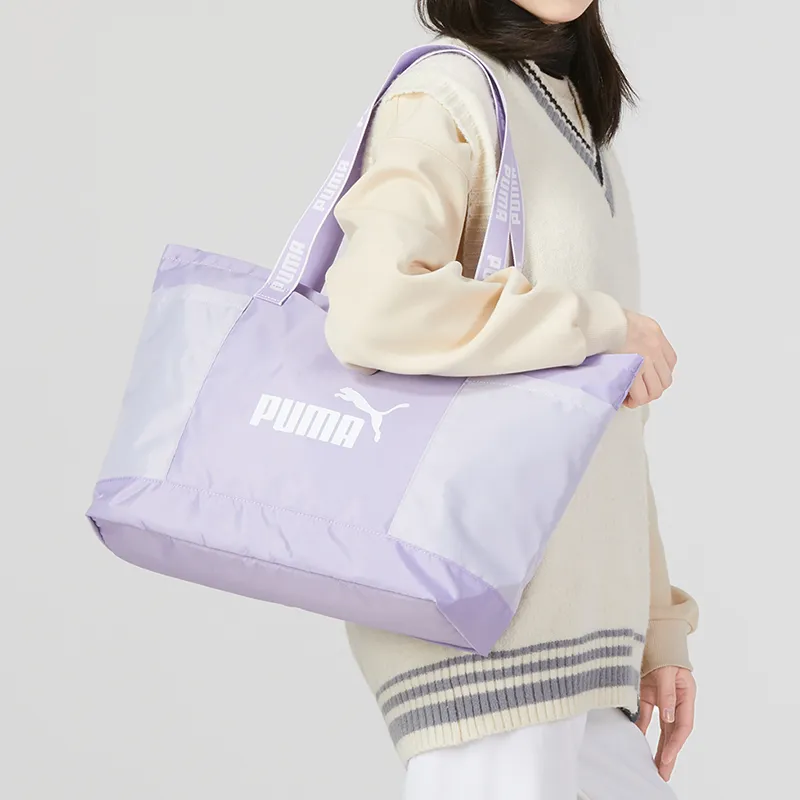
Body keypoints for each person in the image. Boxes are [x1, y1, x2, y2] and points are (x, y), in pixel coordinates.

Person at [322, 1, 699, 798]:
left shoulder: (574, 120)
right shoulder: (447, 92)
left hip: (584, 645)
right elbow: (372, 306)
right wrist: (599, 326)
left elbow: (605, 423)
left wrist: (658, 626)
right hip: (487, 644)